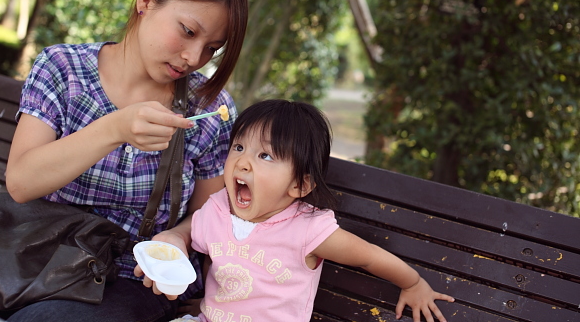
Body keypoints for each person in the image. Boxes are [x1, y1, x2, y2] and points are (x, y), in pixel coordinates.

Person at [0, 0, 248, 322]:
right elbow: (20, 181)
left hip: (132, 277)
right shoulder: (63, 70)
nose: (194, 58)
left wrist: (179, 237)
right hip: (36, 254)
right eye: (188, 31)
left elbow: (208, 211)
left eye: (212, 48)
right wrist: (114, 128)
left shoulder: (207, 110)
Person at [167, 99, 455, 322]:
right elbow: (203, 246)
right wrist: (211, 304)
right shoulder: (218, 208)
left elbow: (368, 257)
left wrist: (413, 282)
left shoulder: (308, 230)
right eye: (239, 147)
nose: (242, 162)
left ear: (300, 185)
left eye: (265, 155)